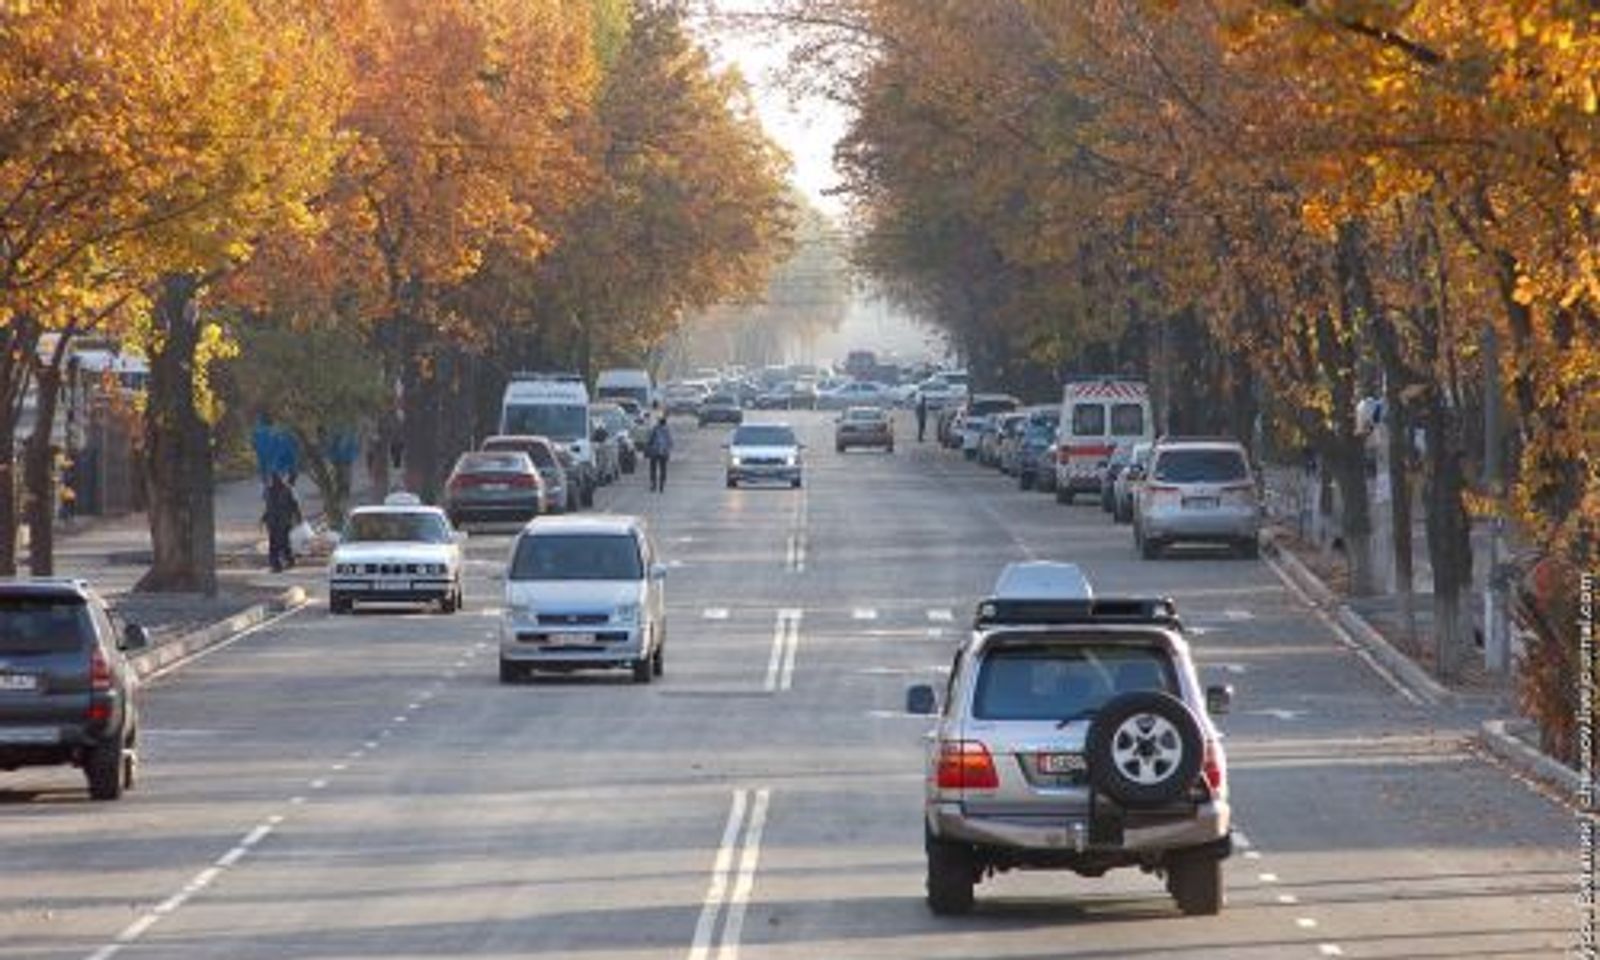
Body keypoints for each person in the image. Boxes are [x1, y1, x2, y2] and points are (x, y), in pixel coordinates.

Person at [262, 473, 302, 572]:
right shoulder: (268, 491)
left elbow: (294, 505)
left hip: (284, 521)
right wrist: (264, 518)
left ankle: (283, 561)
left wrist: (298, 518)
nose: (272, 481)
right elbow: (268, 506)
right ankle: (277, 564)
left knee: (282, 542)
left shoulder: (288, 490)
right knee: (275, 543)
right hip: (272, 521)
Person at [645, 415, 673, 493]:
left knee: (653, 468)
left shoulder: (655, 429)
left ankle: (654, 484)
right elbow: (670, 442)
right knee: (663, 468)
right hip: (663, 452)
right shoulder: (667, 430)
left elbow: (650, 439)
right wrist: (667, 449)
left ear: (658, 422)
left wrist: (648, 446)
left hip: (654, 451)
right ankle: (661, 484)